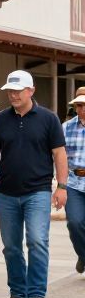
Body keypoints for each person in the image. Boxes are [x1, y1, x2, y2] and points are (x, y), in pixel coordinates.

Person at [0, 70, 67, 298]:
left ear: (31, 91)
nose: (13, 94)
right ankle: (18, 293)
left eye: (18, 90)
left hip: (38, 192)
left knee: (37, 241)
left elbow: (59, 153)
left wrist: (61, 187)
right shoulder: (0, 120)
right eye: (10, 90)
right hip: (7, 193)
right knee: (11, 246)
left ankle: (37, 295)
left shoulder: (48, 118)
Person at [62, 94, 85, 275]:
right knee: (75, 223)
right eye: (78, 105)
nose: (82, 109)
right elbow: (58, 156)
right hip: (74, 182)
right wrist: (59, 185)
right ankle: (83, 255)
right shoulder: (66, 127)